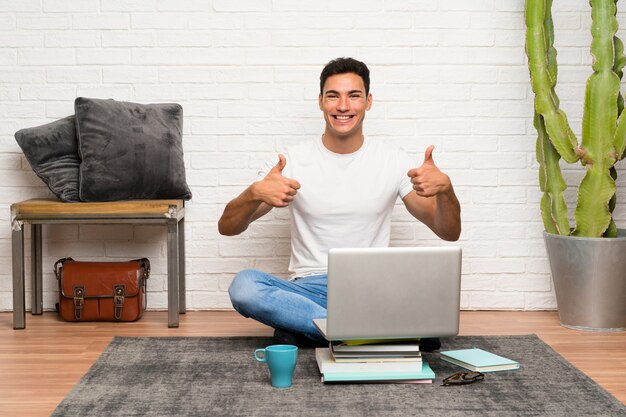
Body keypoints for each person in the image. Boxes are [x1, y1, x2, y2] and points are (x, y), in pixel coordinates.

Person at [218, 57, 461, 348]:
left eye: (353, 96)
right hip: (309, 287)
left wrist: (446, 190)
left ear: (368, 101)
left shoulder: (393, 160)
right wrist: (254, 192)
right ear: (320, 102)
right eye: (333, 96)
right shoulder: (289, 161)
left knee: (428, 296)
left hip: (373, 288)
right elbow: (227, 228)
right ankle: (368, 334)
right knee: (245, 287)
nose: (343, 106)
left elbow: (448, 231)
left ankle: (316, 328)